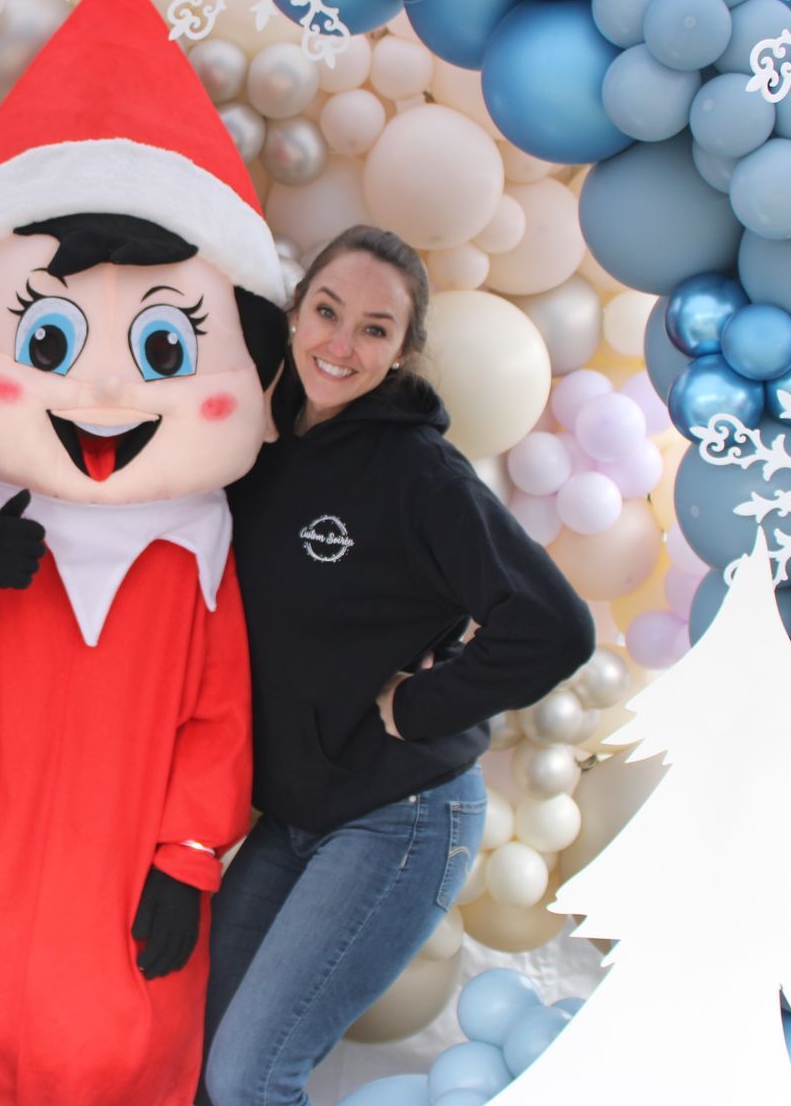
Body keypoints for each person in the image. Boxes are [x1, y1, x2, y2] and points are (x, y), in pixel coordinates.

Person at [0, 0, 289, 1106]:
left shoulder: (197, 540)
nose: (99, 392)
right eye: (43, 340)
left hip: (120, 861)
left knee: (106, 1049)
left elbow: (220, 713)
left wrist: (186, 861)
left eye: (160, 350)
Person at [201, 225, 596, 1106]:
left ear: (403, 353)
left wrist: (420, 707)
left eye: (374, 330)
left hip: (400, 815)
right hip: (299, 813)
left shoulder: (422, 475)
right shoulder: (259, 455)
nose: (340, 346)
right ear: (295, 313)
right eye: (328, 313)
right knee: (194, 1048)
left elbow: (556, 627)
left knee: (250, 1077)